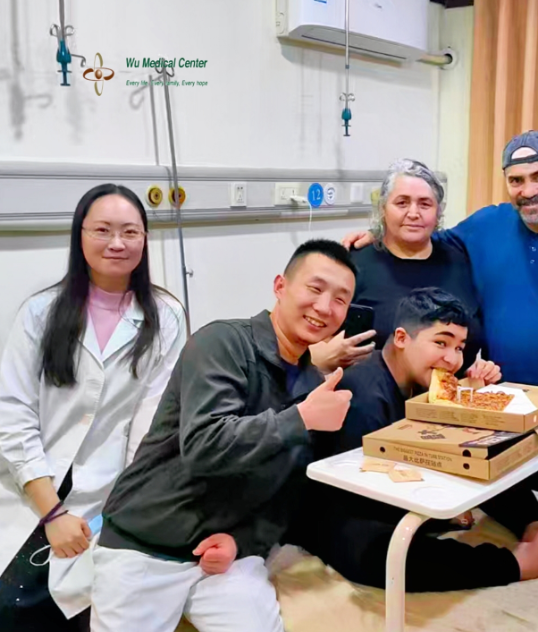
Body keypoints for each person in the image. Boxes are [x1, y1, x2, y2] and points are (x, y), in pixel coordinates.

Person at [344, 132, 538, 501]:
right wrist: (375, 235)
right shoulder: (486, 225)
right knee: (510, 512)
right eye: (516, 180)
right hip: (496, 415)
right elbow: (423, 237)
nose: (528, 190)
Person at [90, 240, 358, 632]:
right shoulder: (222, 343)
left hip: (225, 552)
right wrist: (299, 418)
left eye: (340, 299)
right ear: (280, 286)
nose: (324, 307)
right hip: (146, 544)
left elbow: (287, 494)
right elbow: (204, 445)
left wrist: (243, 541)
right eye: (315, 289)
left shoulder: (312, 385)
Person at [293, 288, 538, 592]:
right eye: (441, 343)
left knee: (478, 455)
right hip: (344, 512)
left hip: (384, 503)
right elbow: (367, 496)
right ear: (401, 338)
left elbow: (470, 458)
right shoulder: (364, 396)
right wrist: (447, 513)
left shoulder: (426, 383)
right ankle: (518, 563)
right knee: (375, 550)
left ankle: (536, 528)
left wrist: (472, 401)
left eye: (459, 347)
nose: (452, 360)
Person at [0, 184, 187, 631]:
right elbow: (13, 414)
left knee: (84, 605)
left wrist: (126, 512)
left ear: (145, 239)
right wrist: (52, 512)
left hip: (110, 494)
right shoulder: (40, 312)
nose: (117, 243)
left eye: (130, 232)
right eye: (102, 230)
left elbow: (152, 424)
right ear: (80, 236)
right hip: (33, 482)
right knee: (11, 603)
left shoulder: (166, 316)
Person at [311, 159, 483, 376]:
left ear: (438, 212)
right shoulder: (352, 265)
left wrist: (473, 370)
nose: (413, 213)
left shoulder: (460, 260)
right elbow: (310, 340)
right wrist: (320, 360)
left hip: (451, 393)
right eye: (402, 203)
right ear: (383, 209)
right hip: (371, 394)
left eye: (425, 204)